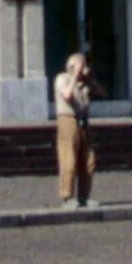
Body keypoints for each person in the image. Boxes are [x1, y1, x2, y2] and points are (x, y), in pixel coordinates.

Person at [52, 51, 99, 209]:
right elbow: (66, 95)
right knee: (69, 159)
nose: (85, 67)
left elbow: (101, 92)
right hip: (68, 119)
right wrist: (74, 76)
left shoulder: (84, 83)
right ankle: (67, 196)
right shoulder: (62, 78)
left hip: (83, 121)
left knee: (88, 161)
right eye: (82, 64)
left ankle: (84, 196)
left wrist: (88, 79)